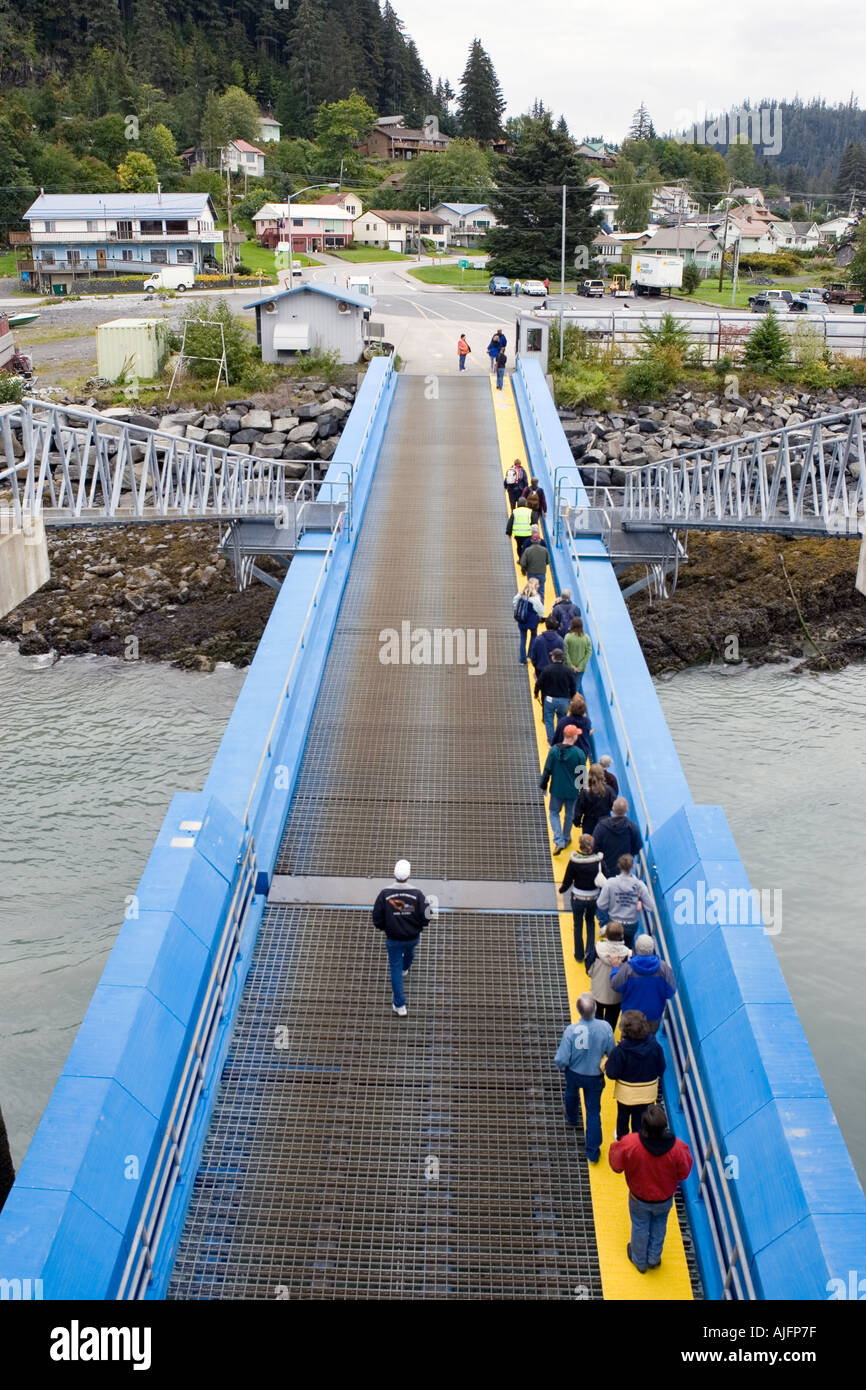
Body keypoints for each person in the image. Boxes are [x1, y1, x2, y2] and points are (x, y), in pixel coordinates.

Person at [609, 1104, 693, 1272]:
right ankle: (654, 1258)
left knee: (640, 1226)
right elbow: (684, 1173)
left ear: (644, 1125)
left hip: (639, 1198)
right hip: (664, 1198)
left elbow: (616, 1165)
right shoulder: (678, 1148)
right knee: (659, 1225)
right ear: (664, 1126)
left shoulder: (630, 1143)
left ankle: (639, 1261)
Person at [554, 993, 614, 1163]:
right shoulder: (605, 1028)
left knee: (571, 1094)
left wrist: (562, 1066)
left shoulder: (571, 1030)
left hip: (574, 1073)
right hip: (595, 1076)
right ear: (595, 1008)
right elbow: (612, 1053)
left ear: (578, 1011)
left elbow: (562, 1058)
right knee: (593, 1111)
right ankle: (592, 1152)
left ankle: (572, 1117)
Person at [371, 859, 432, 1016]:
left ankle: (400, 1005)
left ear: (394, 874)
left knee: (395, 969)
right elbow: (427, 917)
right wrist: (418, 927)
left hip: (394, 939)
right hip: (412, 936)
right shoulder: (417, 894)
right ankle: (406, 967)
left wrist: (385, 927)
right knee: (410, 952)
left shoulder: (384, 894)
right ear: (409, 875)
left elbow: (377, 917)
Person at [605, 1010, 666, 1140]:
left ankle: (622, 1140)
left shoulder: (620, 1051)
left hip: (625, 1095)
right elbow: (661, 1068)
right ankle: (638, 1143)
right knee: (640, 1122)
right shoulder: (655, 1047)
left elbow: (611, 1073)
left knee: (623, 1118)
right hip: (648, 1094)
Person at [610, 934, 677, 1032]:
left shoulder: (627, 969)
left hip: (631, 1018)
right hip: (653, 1016)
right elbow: (670, 992)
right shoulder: (664, 969)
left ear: (636, 948)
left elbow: (615, 985)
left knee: (628, 1044)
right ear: (652, 949)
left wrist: (615, 968)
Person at [559, 832, 604, 961]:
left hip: (578, 897)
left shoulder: (574, 861)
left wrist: (562, 889)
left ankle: (579, 955)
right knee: (590, 922)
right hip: (593, 898)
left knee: (578, 924)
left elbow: (568, 879)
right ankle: (590, 952)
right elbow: (605, 875)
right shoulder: (598, 861)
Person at [539, 723, 583, 852]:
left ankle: (559, 841)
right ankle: (566, 837)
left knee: (554, 813)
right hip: (572, 791)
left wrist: (543, 785)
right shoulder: (579, 754)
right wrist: (582, 790)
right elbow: (582, 775)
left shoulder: (553, 751)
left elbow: (547, 769)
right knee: (569, 815)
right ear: (574, 737)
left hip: (557, 789)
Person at [596, 853, 652, 947]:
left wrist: (612, 903)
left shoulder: (610, 883)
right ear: (633, 866)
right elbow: (650, 907)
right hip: (631, 925)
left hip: (613, 924)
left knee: (612, 948)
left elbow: (600, 904)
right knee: (628, 949)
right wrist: (637, 904)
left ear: (619, 865)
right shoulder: (639, 885)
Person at [586, 920, 631, 1027]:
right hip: (615, 997)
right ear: (621, 935)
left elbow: (588, 968)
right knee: (610, 1025)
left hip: (598, 993)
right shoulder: (627, 954)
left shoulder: (597, 949)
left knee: (596, 1022)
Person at [593, 797, 643, 880]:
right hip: (624, 871)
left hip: (605, 871)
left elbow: (595, 847)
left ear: (612, 809)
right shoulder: (632, 828)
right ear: (626, 810)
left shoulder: (601, 827)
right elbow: (637, 848)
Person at [535, 650, 578, 746]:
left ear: (553, 657)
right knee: (562, 719)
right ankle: (560, 739)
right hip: (563, 700)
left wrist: (536, 693)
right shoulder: (568, 671)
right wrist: (571, 697)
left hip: (550, 700)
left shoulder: (547, 669)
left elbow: (539, 683)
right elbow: (573, 686)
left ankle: (551, 741)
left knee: (549, 720)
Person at [576, 762, 615, 838]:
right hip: (605, 824)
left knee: (589, 846)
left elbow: (579, 809)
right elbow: (614, 806)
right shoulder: (609, 790)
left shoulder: (585, 792)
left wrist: (577, 822)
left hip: (589, 824)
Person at [552, 693, 594, 763]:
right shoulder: (587, 722)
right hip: (582, 754)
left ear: (570, 708)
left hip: (565, 754)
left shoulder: (563, 721)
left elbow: (556, 738)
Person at [513, 576, 544, 664]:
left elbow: (514, 601)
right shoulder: (536, 598)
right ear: (535, 586)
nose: (538, 586)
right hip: (533, 621)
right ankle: (530, 654)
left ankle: (522, 659)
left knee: (523, 638)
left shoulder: (521, 595)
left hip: (522, 620)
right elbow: (541, 611)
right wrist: (540, 616)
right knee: (533, 636)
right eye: (537, 584)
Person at [519, 527, 549, 601]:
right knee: (541, 591)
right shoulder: (544, 550)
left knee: (531, 590)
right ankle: (540, 607)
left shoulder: (527, 550)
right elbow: (548, 561)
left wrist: (524, 570)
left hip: (531, 573)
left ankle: (531, 606)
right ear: (539, 540)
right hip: (541, 573)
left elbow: (522, 562)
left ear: (532, 540)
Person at [563, 616, 592, 686]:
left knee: (566, 686)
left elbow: (565, 653)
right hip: (580, 669)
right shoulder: (586, 638)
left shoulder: (568, 637)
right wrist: (580, 666)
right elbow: (589, 653)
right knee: (576, 688)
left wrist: (572, 666)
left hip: (568, 668)